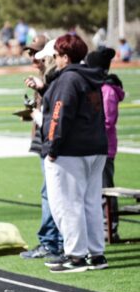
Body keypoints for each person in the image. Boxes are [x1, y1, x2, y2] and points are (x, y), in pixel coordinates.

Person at [38, 34, 108, 273]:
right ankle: (96, 254)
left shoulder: (68, 79)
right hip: (96, 147)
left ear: (65, 57)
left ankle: (76, 256)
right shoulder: (91, 77)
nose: (55, 60)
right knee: (91, 203)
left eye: (56, 56)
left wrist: (52, 146)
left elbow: (59, 114)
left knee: (67, 204)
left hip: (71, 150)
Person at [20, 35, 63, 260]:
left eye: (37, 54)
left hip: (51, 140)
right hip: (42, 138)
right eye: (31, 54)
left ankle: (54, 243)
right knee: (49, 193)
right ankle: (54, 241)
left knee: (52, 193)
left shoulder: (52, 76)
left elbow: (55, 111)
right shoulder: (43, 76)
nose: (34, 58)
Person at [85, 46, 125, 242]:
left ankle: (110, 228)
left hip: (104, 147)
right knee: (96, 190)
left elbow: (107, 121)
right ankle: (101, 227)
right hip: (95, 145)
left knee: (106, 189)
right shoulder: (99, 87)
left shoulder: (107, 90)